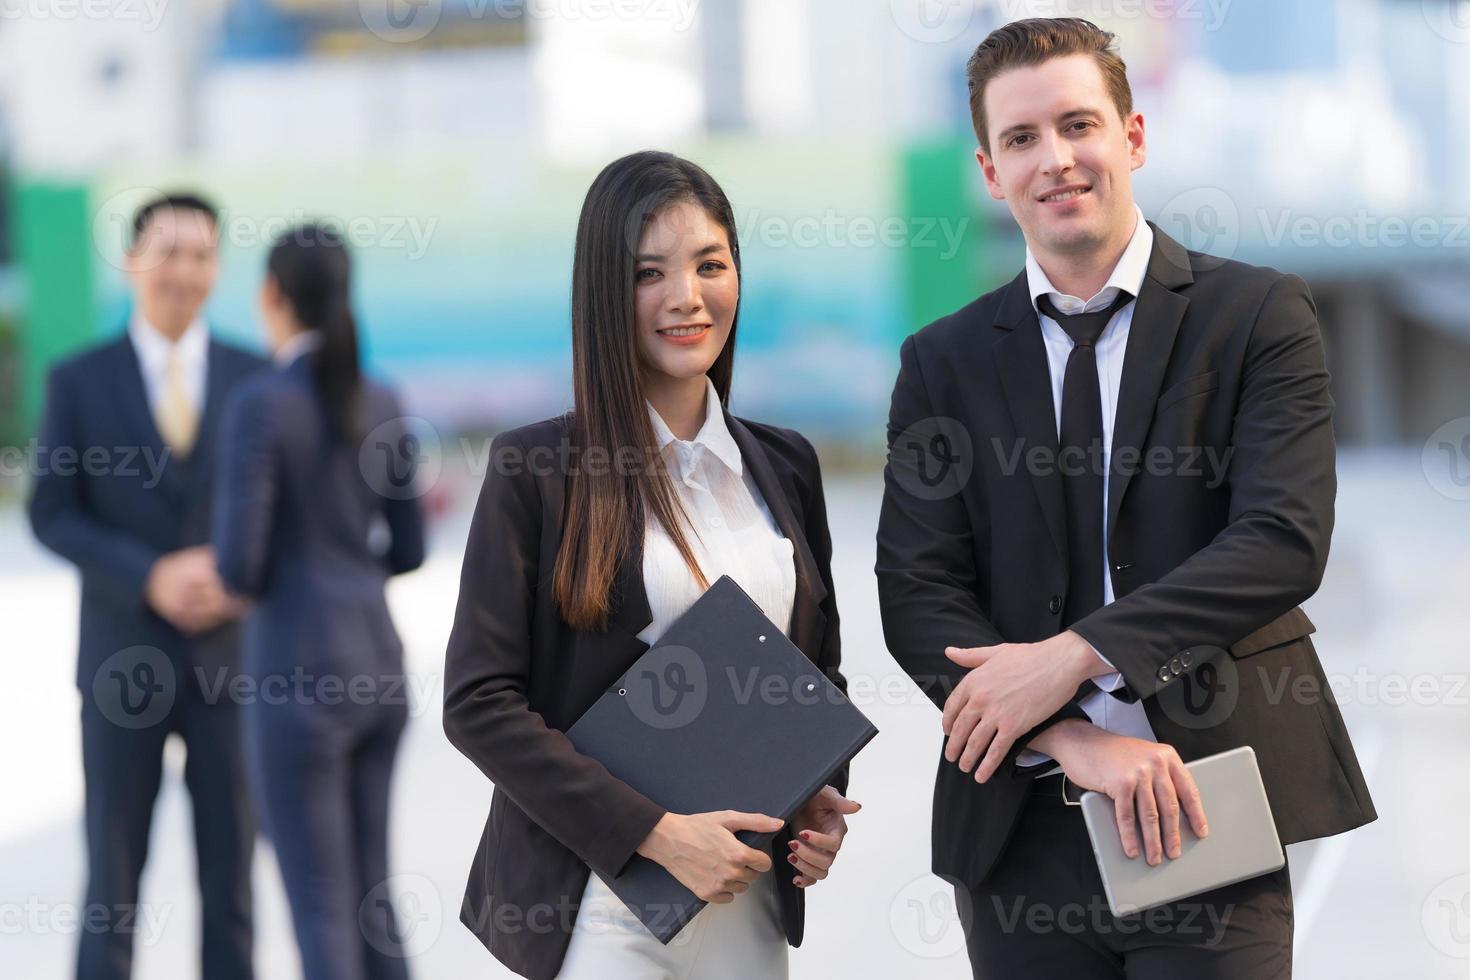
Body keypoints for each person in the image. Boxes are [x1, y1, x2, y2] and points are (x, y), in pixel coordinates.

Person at [875, 17, 1376, 978]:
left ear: (1132, 137)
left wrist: (1072, 659)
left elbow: (1281, 538)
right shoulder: (941, 362)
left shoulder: (1258, 316)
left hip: (1207, 802)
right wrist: (1060, 733)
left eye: (1078, 125)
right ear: (989, 171)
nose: (1054, 159)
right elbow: (916, 590)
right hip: (1018, 827)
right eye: (1020, 139)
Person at [442, 150, 861, 980]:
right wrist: (659, 834)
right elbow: (479, 703)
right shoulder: (538, 470)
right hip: (608, 900)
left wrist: (816, 794)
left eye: (711, 265)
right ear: (605, 292)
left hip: (749, 895)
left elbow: (818, 670)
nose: (687, 297)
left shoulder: (786, 465)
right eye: (650, 272)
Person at [28, 192, 263, 980]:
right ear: (133, 261)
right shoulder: (78, 381)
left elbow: (289, 511)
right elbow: (51, 513)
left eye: (200, 255)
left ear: (217, 268)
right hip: (119, 663)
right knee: (112, 883)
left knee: (232, 882)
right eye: (168, 252)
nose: (184, 271)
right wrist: (149, 574)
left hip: (231, 669)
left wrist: (238, 578)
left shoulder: (254, 379)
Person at [211, 224, 426, 980]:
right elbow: (410, 550)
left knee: (320, 908)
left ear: (273, 295)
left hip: (297, 676)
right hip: (379, 664)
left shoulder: (260, 404)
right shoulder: (384, 396)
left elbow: (239, 566)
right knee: (373, 898)